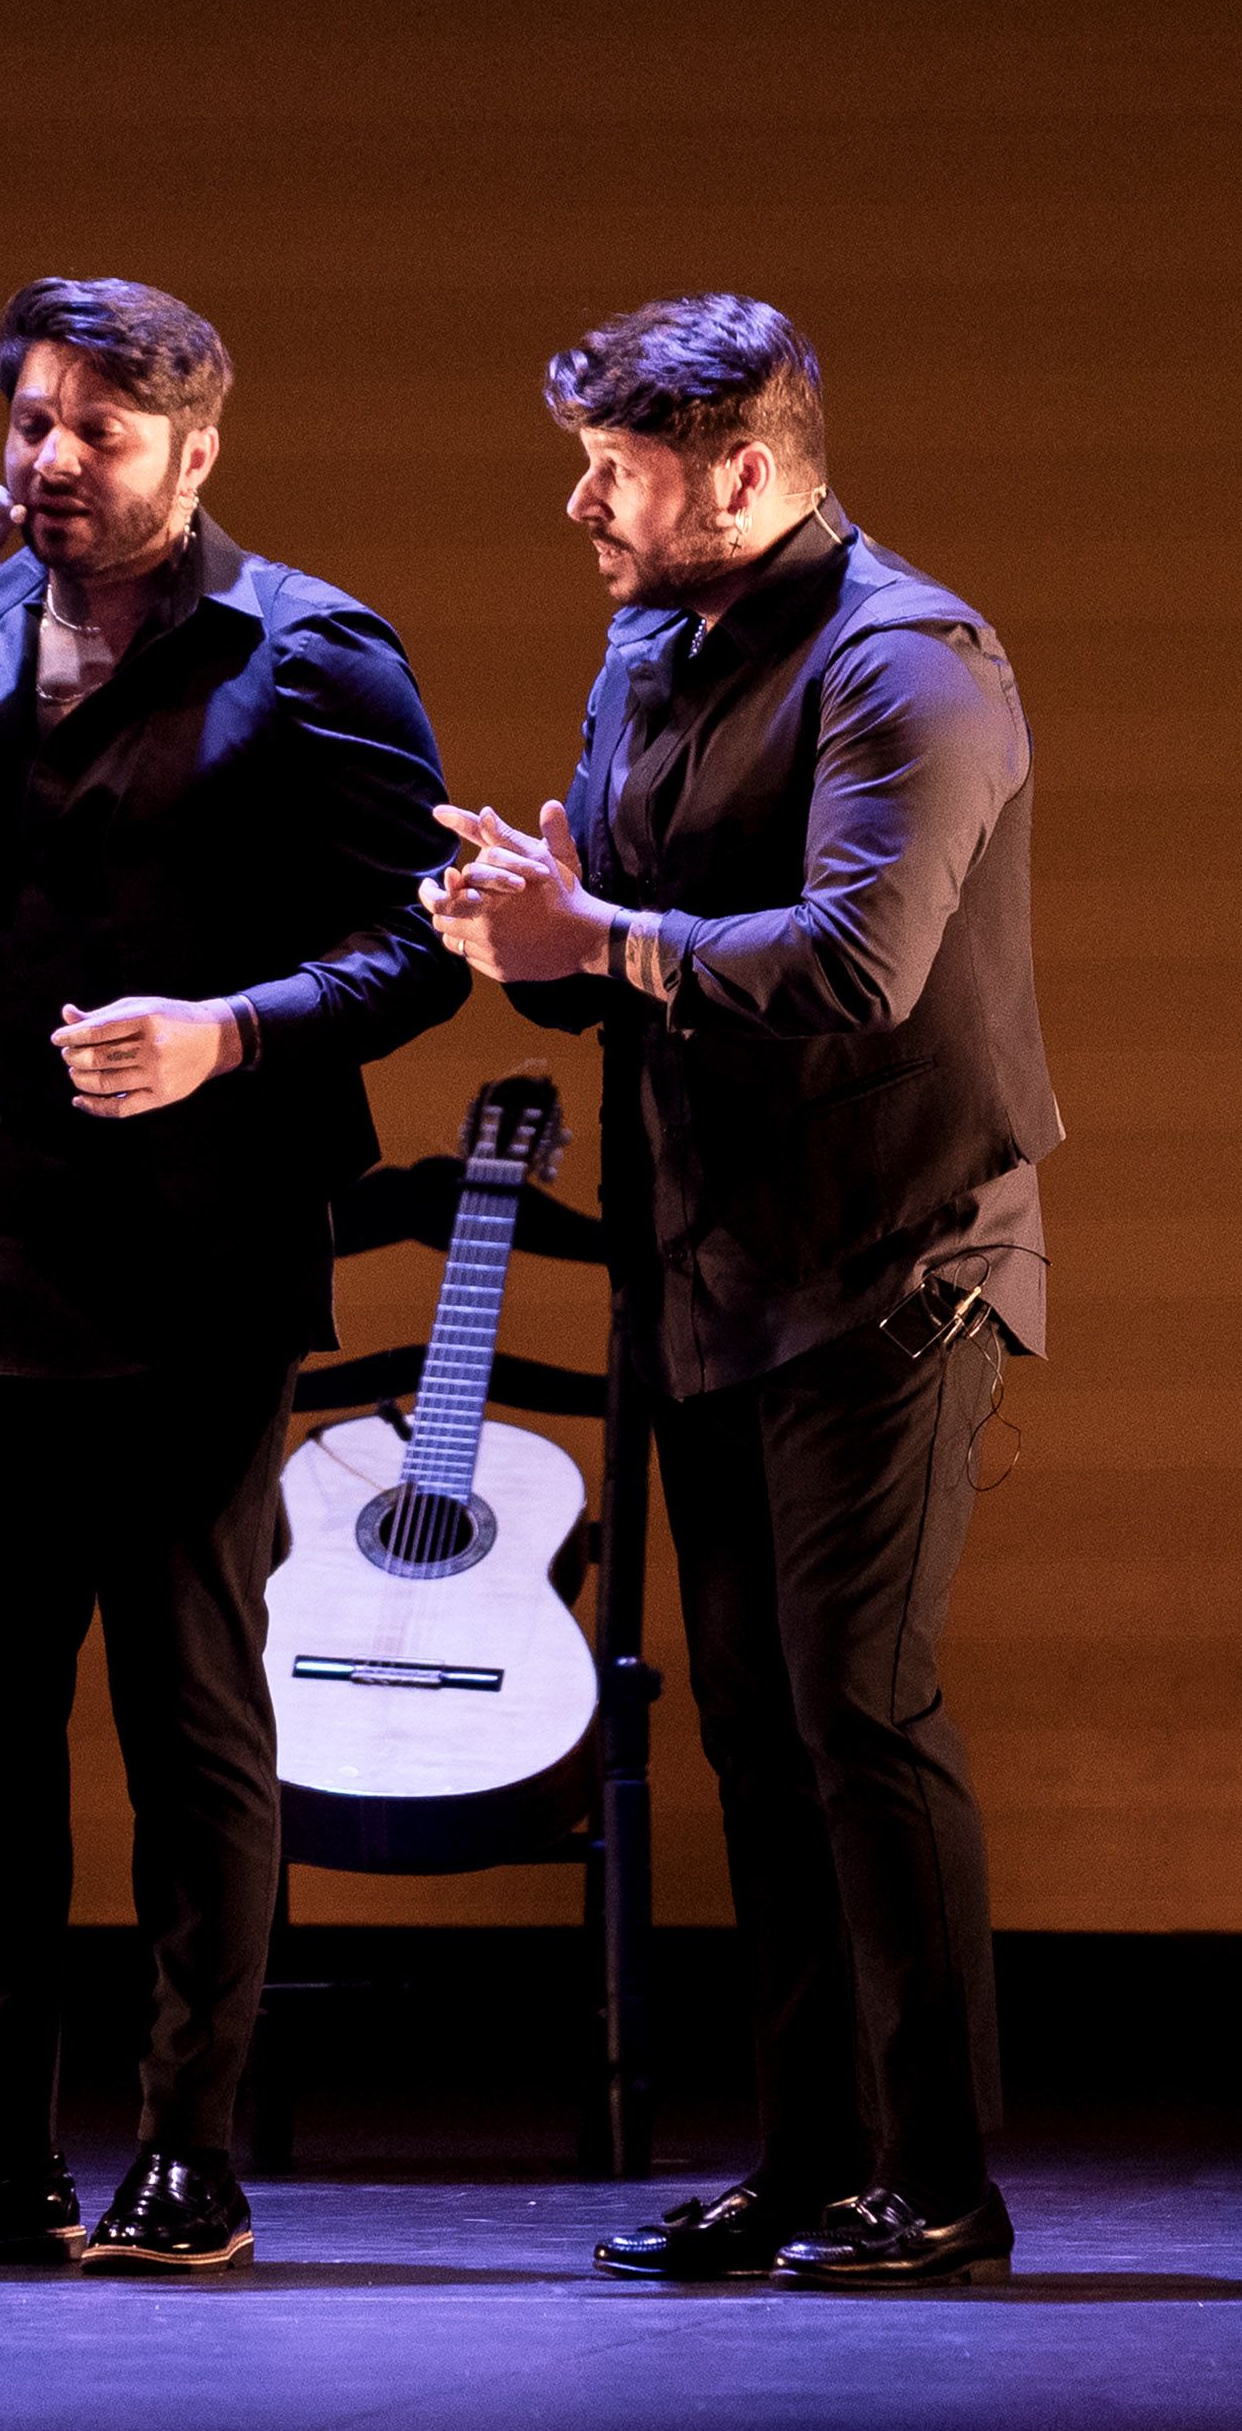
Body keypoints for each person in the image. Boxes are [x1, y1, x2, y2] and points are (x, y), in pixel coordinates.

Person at [0, 277, 468, 2277]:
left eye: (93, 432)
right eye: (29, 419)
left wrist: (230, 1025)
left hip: (189, 1270)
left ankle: (185, 2154)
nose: (48, 460)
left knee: (187, 1706)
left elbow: (419, 941)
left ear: (192, 450)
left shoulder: (304, 653)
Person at [428, 294, 1053, 2291]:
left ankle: (939, 2184)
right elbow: (625, 932)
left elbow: (857, 962)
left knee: (859, 1703)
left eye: (612, 470)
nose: (576, 502)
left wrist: (595, 931)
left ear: (750, 469)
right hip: (710, 1256)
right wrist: (524, 930)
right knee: (755, 1735)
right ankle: (802, 2166)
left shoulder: (909, 661)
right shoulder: (650, 642)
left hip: (892, 1251)